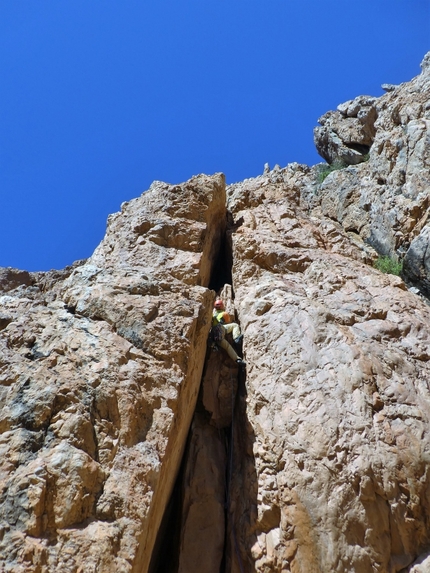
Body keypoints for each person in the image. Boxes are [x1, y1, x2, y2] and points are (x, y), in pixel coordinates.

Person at [212, 298, 245, 366]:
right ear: (222, 306)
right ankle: (236, 338)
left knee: (227, 347)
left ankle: (237, 359)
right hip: (221, 328)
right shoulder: (224, 313)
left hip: (215, 335)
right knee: (234, 325)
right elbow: (227, 321)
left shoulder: (213, 315)